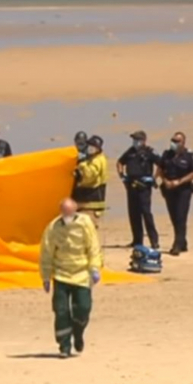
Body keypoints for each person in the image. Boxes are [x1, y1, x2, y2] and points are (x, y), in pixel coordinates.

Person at [39, 198, 103, 358]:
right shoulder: (53, 227)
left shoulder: (85, 224)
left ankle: (78, 332)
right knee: (61, 311)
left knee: (83, 308)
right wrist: (46, 276)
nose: (67, 216)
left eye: (70, 213)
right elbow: (46, 252)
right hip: (61, 274)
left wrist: (94, 268)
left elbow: (93, 247)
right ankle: (64, 345)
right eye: (64, 213)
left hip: (81, 273)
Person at [157, 131, 193, 256]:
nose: (174, 143)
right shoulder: (166, 154)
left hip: (183, 190)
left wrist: (179, 182)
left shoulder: (189, 155)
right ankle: (183, 241)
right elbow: (160, 170)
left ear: (183, 143)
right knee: (174, 216)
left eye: (177, 141)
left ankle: (177, 245)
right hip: (169, 189)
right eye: (173, 140)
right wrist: (165, 181)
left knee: (181, 217)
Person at [116, 130, 161, 249]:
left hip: (144, 186)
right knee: (133, 214)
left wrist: (154, 178)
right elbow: (120, 162)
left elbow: (161, 164)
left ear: (143, 140)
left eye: (137, 139)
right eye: (134, 139)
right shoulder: (130, 152)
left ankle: (154, 241)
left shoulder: (149, 152)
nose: (135, 142)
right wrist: (122, 176)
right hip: (131, 185)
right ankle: (137, 240)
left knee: (146, 213)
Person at [72, 135, 108, 227]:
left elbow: (89, 177)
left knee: (87, 229)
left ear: (98, 148)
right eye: (89, 145)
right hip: (87, 203)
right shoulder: (93, 159)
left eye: (93, 146)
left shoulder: (97, 161)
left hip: (91, 203)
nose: (90, 148)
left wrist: (81, 167)